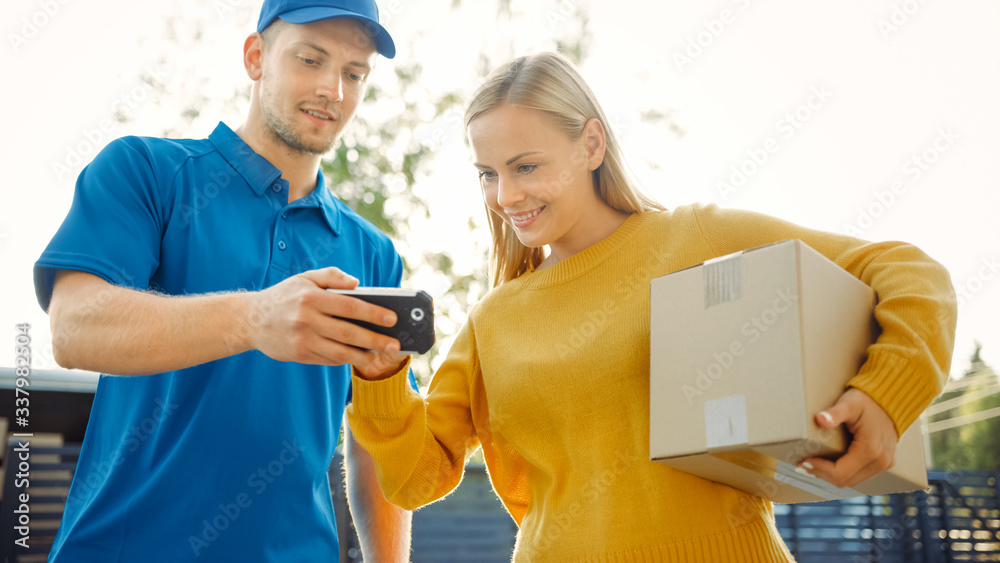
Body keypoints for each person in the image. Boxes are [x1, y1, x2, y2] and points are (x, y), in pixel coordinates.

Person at [345, 51, 958, 561]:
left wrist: (886, 392)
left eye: (526, 166)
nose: (506, 196)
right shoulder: (495, 319)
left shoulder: (691, 238)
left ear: (591, 144)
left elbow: (909, 271)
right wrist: (379, 377)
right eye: (487, 173)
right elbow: (415, 477)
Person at [33, 0, 416, 560]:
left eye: (354, 73)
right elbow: (73, 328)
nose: (334, 89)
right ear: (256, 57)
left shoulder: (374, 255)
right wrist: (255, 318)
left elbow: (376, 443)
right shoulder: (146, 173)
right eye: (311, 59)